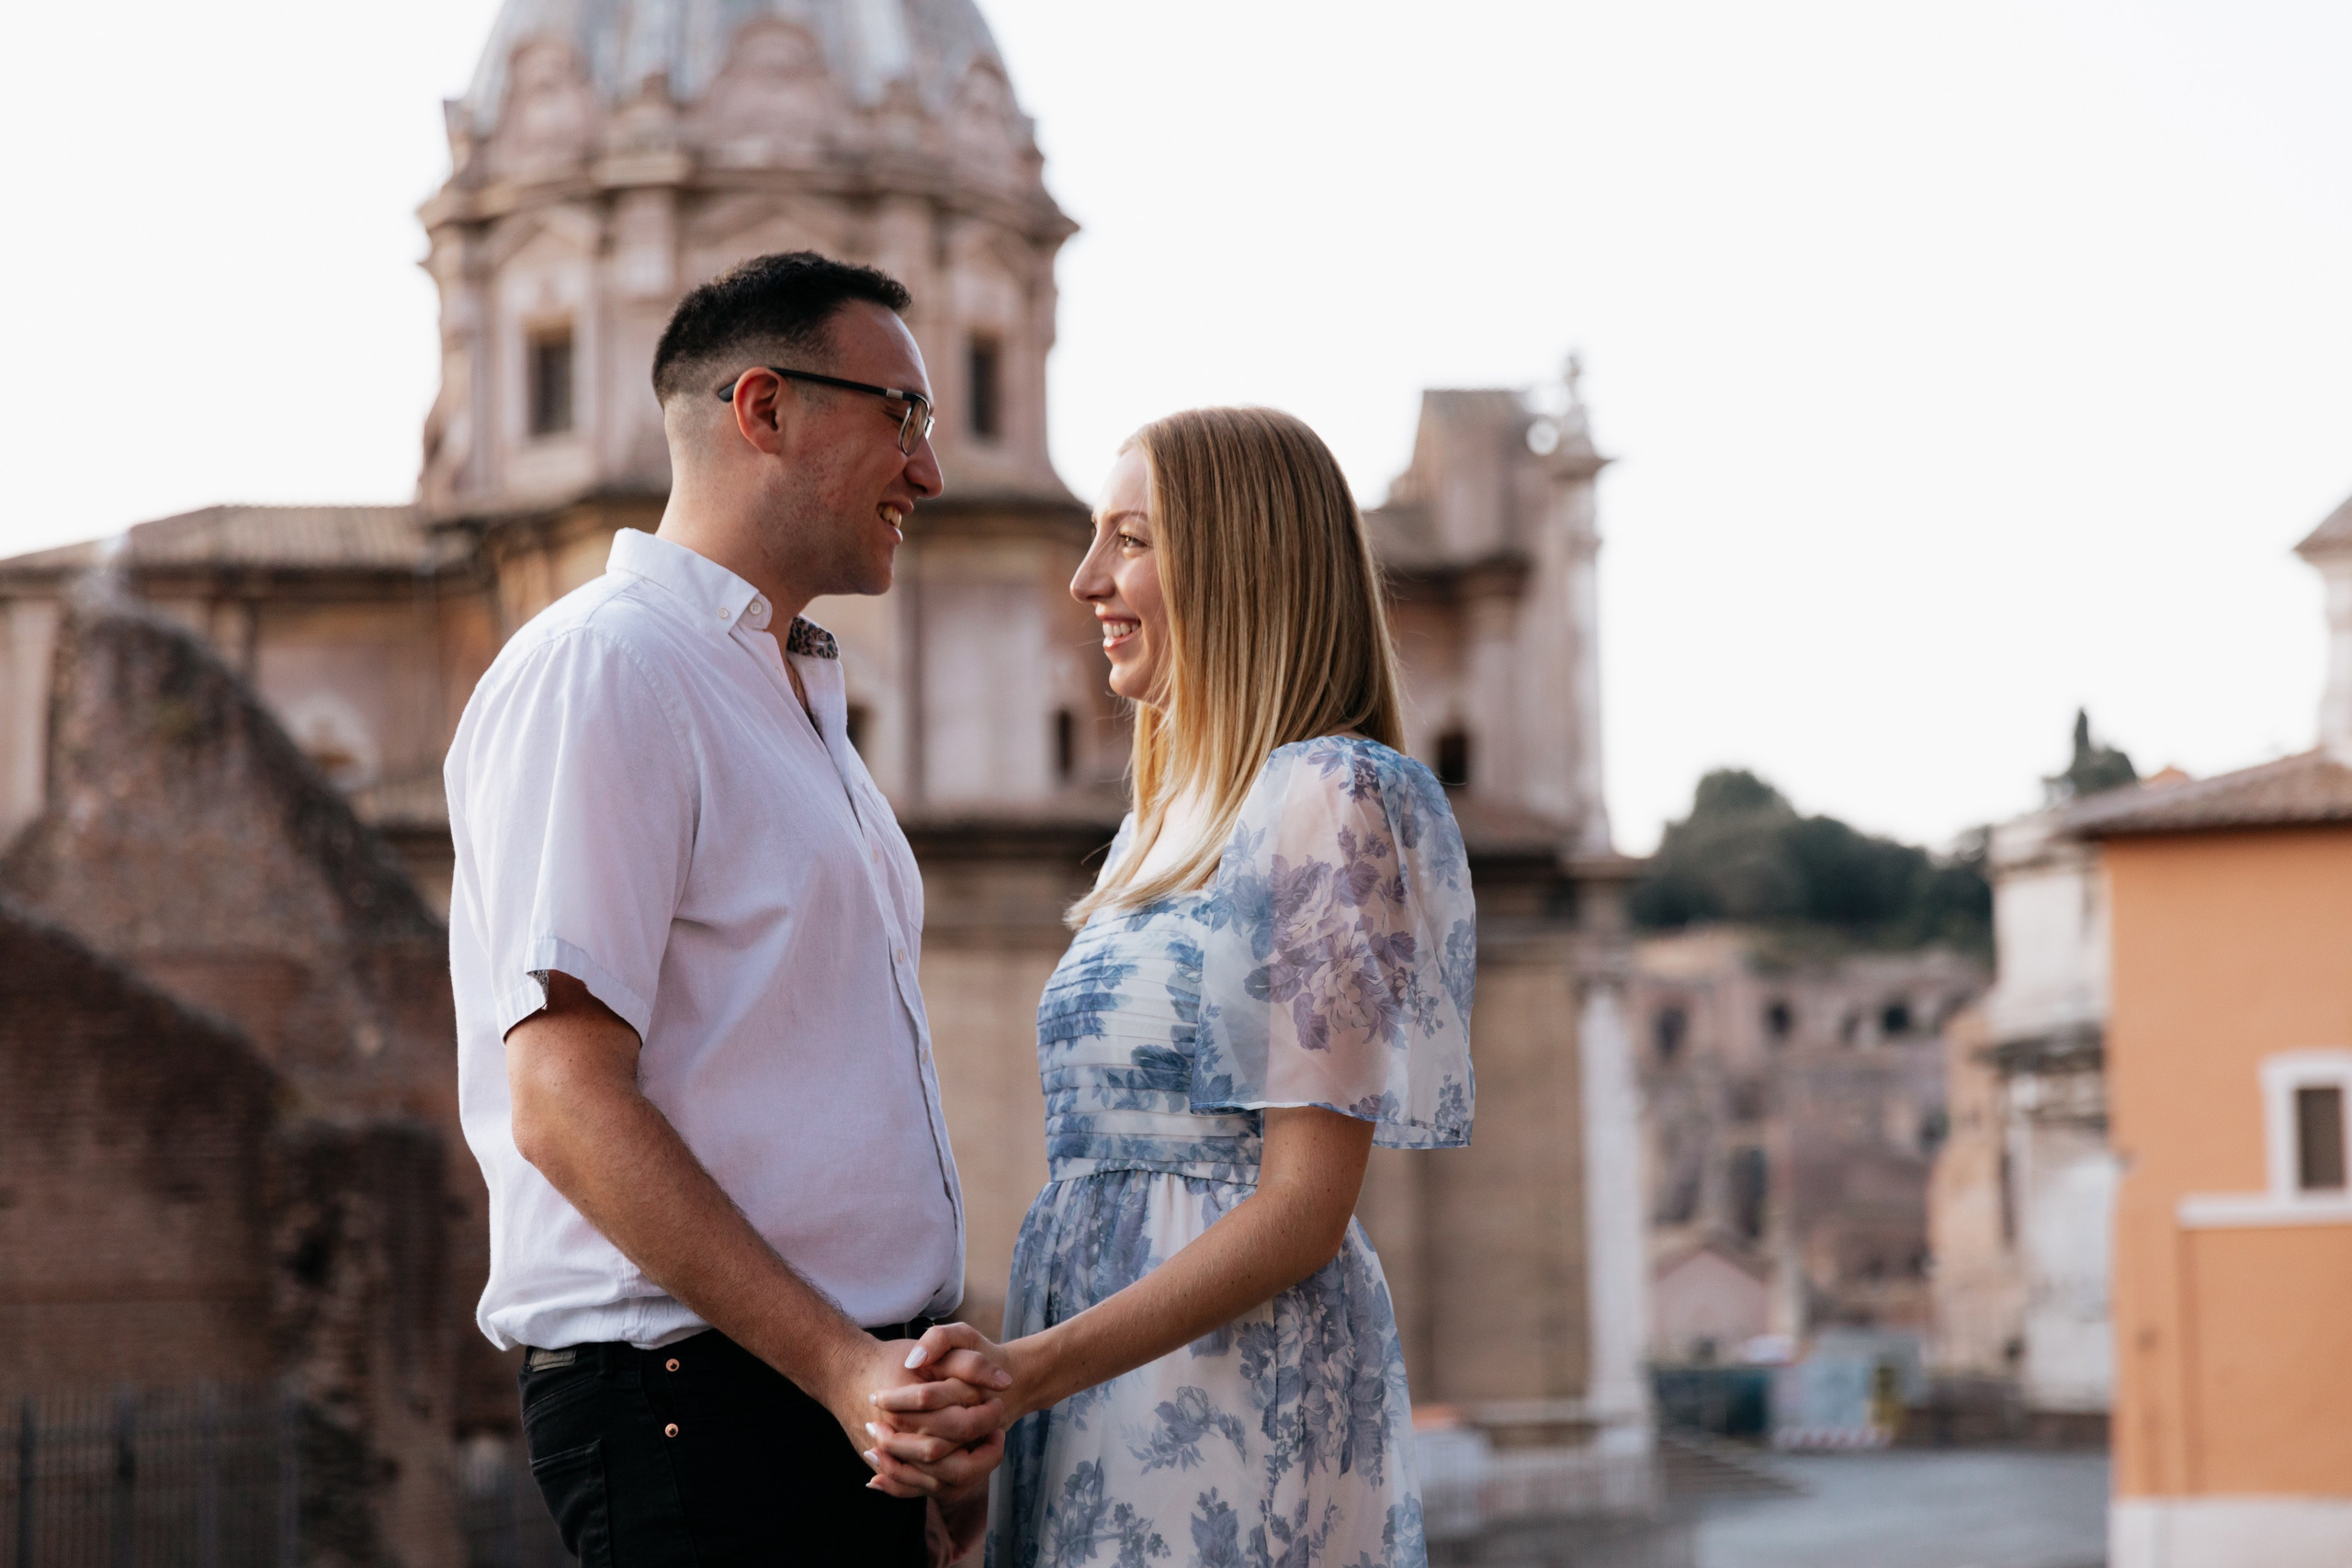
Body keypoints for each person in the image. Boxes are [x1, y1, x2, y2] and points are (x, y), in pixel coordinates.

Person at [445, 251, 1009, 1566]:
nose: (930, 468)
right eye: (903, 415)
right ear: (766, 409)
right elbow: (564, 1100)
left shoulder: (792, 691)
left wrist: (901, 1382)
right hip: (701, 1403)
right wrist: (843, 1369)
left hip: (824, 1396)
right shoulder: (607, 666)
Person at [870, 407, 1477, 1566]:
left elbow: (1305, 1208)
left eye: (1130, 540)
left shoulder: (1330, 793)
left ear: (1243, 562)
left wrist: (1026, 1372)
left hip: (1229, 1395)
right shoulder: (1155, 828)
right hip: (1095, 1386)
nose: (1087, 579)